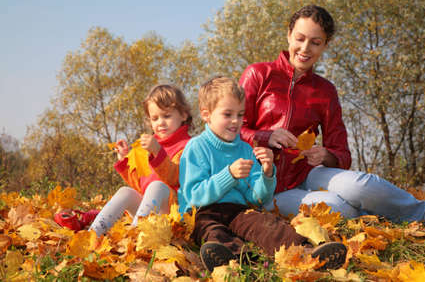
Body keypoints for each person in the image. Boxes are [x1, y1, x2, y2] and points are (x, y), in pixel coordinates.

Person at [239, 5, 425, 224]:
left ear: (325, 45)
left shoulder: (325, 90)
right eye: (300, 38)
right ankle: (379, 219)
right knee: (337, 208)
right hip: (266, 185)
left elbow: (342, 153)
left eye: (316, 42)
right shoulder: (258, 74)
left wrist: (325, 155)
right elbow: (231, 131)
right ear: (288, 35)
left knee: (363, 185)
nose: (305, 48)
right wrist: (266, 136)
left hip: (308, 173)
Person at [178, 77, 347, 273]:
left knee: (266, 224)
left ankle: (306, 253)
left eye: (240, 115)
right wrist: (229, 175)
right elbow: (194, 196)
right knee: (211, 231)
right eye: (227, 114)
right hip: (203, 211)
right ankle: (233, 261)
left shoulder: (245, 149)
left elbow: (257, 198)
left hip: (238, 210)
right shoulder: (196, 147)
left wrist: (267, 174)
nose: (235, 121)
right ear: (206, 115)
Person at [89, 84, 192, 236]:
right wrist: (125, 160)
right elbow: (140, 186)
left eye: (167, 116)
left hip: (173, 214)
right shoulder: (147, 148)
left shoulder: (188, 146)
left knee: (157, 186)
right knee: (126, 192)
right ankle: (93, 234)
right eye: (155, 118)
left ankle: (135, 238)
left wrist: (158, 152)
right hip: (147, 214)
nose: (160, 123)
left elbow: (175, 177)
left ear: (183, 115)